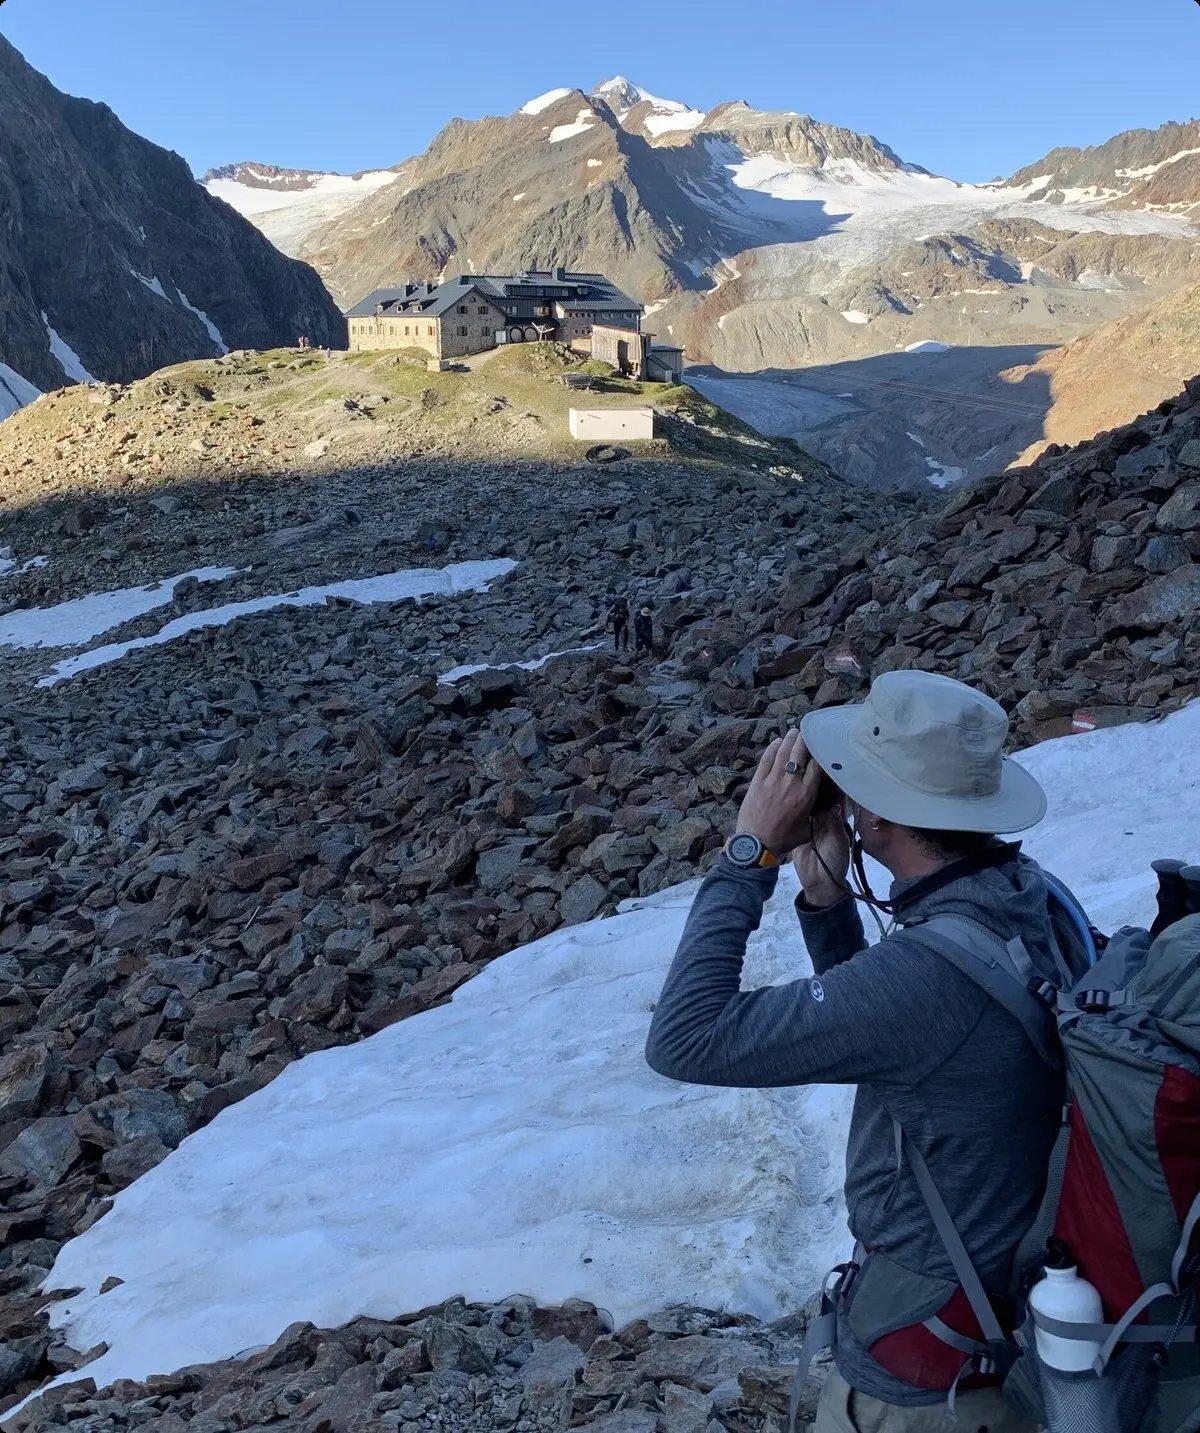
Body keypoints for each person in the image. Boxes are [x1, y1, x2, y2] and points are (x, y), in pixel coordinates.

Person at [646, 671, 1070, 1433]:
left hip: (922, 1386)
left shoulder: (928, 974)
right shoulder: (1031, 897)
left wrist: (750, 854)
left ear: (877, 814)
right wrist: (827, 902)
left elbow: (684, 1038)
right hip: (998, 1327)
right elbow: (908, 1041)